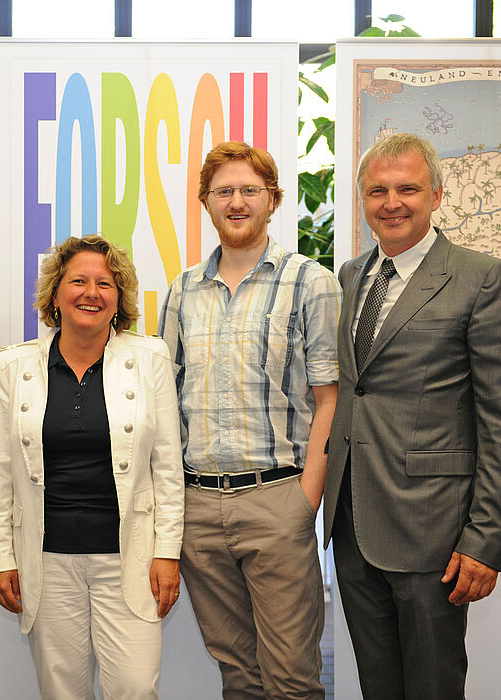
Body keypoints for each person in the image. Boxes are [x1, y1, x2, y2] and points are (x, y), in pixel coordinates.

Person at [324, 132, 501, 699]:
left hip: (434, 529)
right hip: (353, 518)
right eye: (377, 191)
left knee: (434, 686)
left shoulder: (483, 278)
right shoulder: (349, 276)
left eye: (407, 189)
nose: (392, 202)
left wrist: (486, 538)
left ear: (437, 195)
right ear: (363, 200)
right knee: (378, 685)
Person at [158, 141, 340, 699]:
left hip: (277, 499)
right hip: (200, 510)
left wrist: (305, 497)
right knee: (237, 674)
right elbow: (166, 396)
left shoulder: (311, 281)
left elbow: (330, 397)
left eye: (249, 191)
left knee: (291, 679)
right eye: (224, 192)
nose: (236, 202)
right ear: (206, 204)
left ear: (273, 200)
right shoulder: (182, 289)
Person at [0, 234, 183, 700]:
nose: (91, 292)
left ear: (118, 299)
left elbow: (168, 468)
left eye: (105, 284)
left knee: (135, 687)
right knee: (61, 692)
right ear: (55, 294)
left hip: (129, 557)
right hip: (46, 559)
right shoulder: (15, 368)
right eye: (78, 281)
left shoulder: (149, 359)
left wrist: (168, 551)